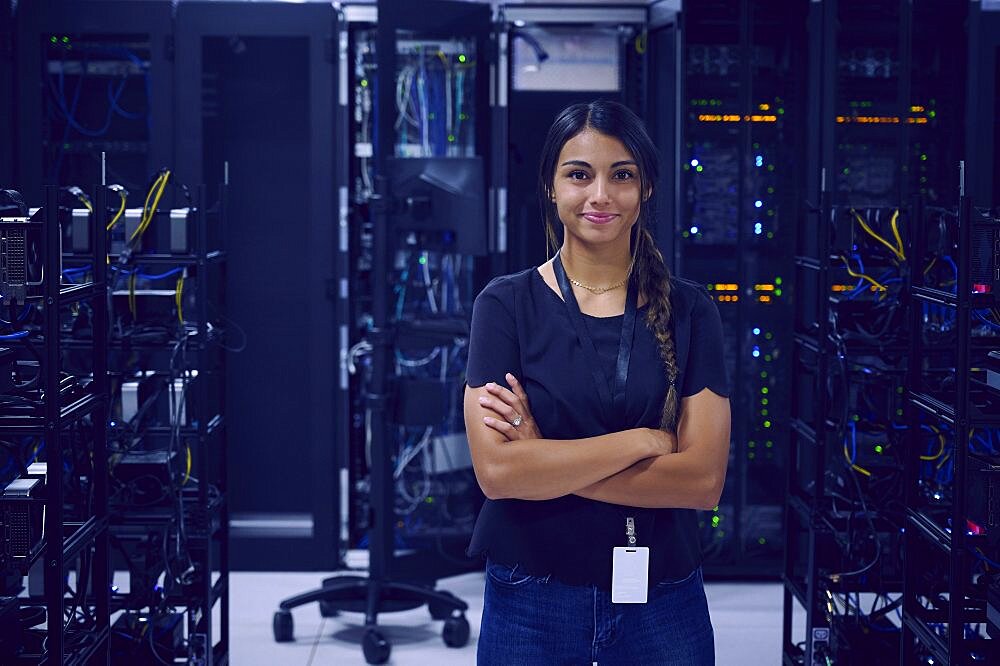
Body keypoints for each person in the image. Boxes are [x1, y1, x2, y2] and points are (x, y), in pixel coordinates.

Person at [462, 100, 732, 665]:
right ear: (550, 186)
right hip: (532, 595)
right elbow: (499, 473)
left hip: (661, 597)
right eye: (579, 174)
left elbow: (702, 481)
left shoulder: (690, 311)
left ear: (647, 188)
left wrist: (546, 462)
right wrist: (640, 443)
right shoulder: (505, 306)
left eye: (622, 175)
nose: (600, 195)